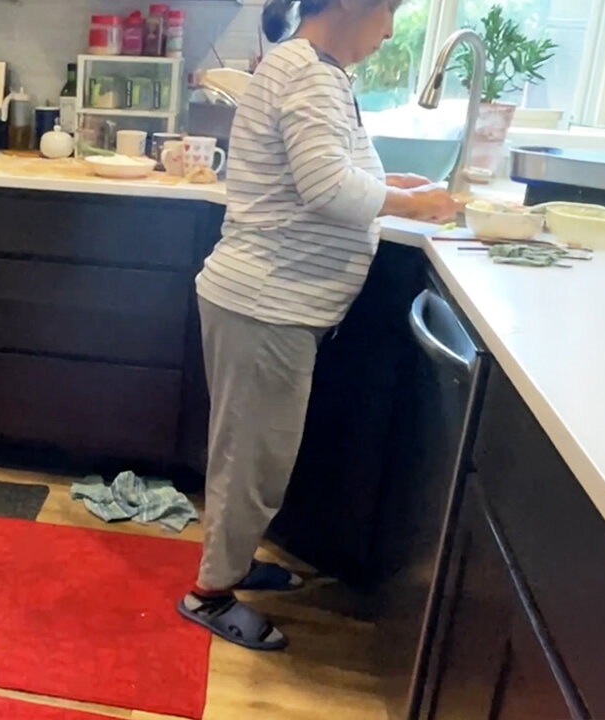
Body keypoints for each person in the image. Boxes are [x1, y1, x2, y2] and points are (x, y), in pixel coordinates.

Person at [177, 0, 462, 651]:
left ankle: (233, 563)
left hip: (270, 304)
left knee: (248, 453)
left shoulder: (315, 69)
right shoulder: (304, 71)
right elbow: (326, 188)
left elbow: (330, 166)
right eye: (388, 11)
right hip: (263, 303)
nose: (391, 29)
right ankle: (209, 595)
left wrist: (395, 183)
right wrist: (411, 202)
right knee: (253, 459)